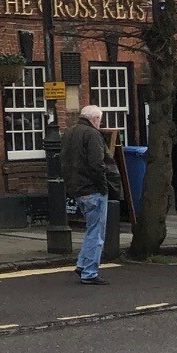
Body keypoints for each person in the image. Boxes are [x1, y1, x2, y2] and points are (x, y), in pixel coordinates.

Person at [63, 104, 122, 285]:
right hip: (92, 189)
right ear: (95, 119)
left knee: (91, 230)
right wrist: (104, 187)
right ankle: (89, 272)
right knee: (96, 233)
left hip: (76, 188)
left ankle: (82, 265)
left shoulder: (69, 133)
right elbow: (97, 164)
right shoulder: (93, 135)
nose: (100, 123)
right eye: (100, 120)